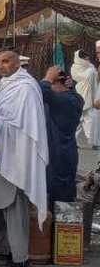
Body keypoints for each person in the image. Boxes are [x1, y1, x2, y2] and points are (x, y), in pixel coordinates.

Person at [0, 49, 48, 267]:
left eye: (6, 61)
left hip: (16, 155)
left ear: (17, 63)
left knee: (12, 204)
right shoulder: (6, 85)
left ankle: (19, 255)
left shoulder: (26, 88)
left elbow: (26, 127)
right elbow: (5, 119)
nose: (1, 66)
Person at [40, 65, 82, 207]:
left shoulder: (63, 100)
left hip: (58, 156)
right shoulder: (74, 97)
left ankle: (58, 228)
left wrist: (48, 78)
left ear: (56, 83)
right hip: (65, 153)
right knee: (62, 195)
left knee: (59, 199)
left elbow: (42, 92)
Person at [70, 47, 100, 149]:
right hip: (80, 94)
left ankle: (93, 142)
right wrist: (91, 71)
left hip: (90, 95)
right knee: (78, 121)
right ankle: (73, 141)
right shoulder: (75, 67)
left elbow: (95, 79)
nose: (87, 60)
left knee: (89, 120)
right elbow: (82, 77)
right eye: (85, 58)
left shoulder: (90, 67)